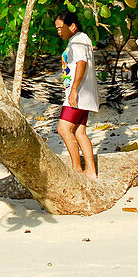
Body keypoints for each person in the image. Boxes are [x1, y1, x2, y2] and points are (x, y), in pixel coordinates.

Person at [55, 10, 100, 179]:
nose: (59, 32)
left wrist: (74, 89)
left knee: (63, 128)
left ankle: (76, 168)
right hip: (83, 94)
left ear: (72, 26)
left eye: (61, 28)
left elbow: (81, 63)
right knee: (80, 132)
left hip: (79, 94)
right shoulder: (82, 39)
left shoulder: (78, 42)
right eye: (57, 29)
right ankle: (91, 171)